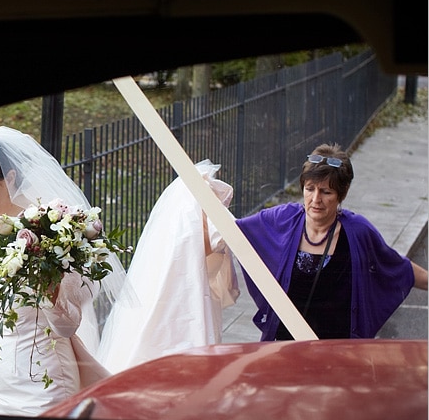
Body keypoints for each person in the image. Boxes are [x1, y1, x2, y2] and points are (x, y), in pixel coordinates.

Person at [0, 126, 130, 416]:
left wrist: (48, 282)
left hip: (44, 383)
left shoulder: (53, 234)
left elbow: (66, 325)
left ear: (9, 177)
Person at [235, 143, 428, 341]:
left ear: (341, 194)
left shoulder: (358, 231)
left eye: (326, 192)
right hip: (286, 351)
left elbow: (397, 266)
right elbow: (231, 232)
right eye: (310, 189)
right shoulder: (283, 218)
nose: (316, 199)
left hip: (337, 353)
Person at [96, 159, 239, 373]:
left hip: (181, 287)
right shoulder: (195, 219)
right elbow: (219, 238)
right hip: (191, 292)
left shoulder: (174, 227)